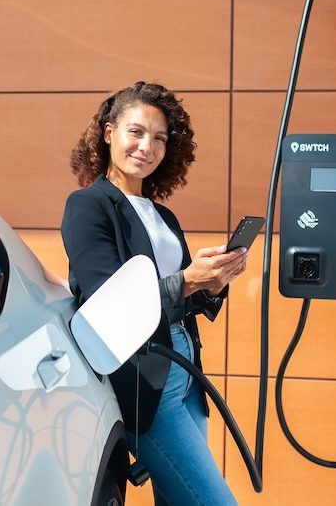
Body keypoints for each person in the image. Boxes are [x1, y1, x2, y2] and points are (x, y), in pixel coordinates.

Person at [61, 82, 248, 506]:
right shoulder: (88, 206)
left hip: (185, 370)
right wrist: (188, 280)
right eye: (136, 132)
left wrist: (212, 285)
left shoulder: (162, 214)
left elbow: (182, 298)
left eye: (160, 138)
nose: (147, 147)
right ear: (108, 133)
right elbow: (107, 303)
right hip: (144, 380)